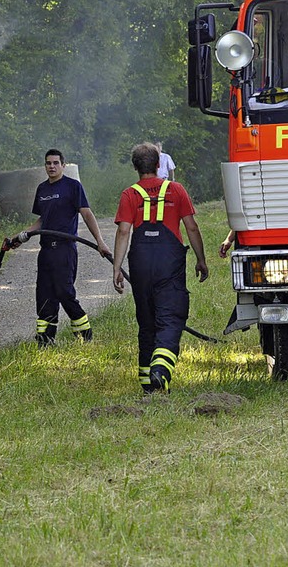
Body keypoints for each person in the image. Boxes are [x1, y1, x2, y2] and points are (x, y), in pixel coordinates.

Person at [112, 142, 208, 393]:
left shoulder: (129, 194)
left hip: (141, 261)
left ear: (135, 167)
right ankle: (160, 371)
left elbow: (123, 231)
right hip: (168, 261)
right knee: (171, 317)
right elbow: (192, 227)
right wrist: (201, 259)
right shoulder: (175, 190)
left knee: (146, 320)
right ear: (158, 164)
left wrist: (116, 268)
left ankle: (147, 384)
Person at [14, 149, 111, 346]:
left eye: (55, 163)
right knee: (44, 294)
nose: (51, 166)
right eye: (48, 163)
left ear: (63, 165)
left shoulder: (72, 186)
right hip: (46, 250)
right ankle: (45, 339)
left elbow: (87, 214)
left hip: (64, 249)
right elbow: (42, 220)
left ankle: (85, 334)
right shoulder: (42, 189)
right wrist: (23, 236)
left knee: (64, 291)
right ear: (45, 166)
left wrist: (100, 242)